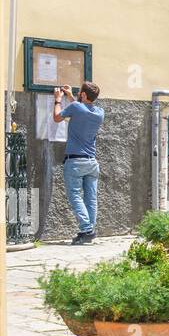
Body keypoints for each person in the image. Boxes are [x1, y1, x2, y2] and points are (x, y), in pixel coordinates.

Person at [51, 81, 105, 245]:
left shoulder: (75, 107)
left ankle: (86, 229)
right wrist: (71, 96)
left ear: (83, 95)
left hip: (75, 161)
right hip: (91, 162)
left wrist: (58, 100)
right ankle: (90, 230)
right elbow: (81, 109)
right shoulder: (99, 113)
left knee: (75, 196)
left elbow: (57, 117)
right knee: (91, 198)